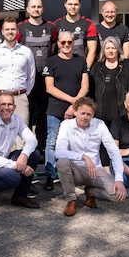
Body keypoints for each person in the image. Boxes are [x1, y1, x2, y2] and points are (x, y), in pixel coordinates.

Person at [54, 97, 126, 216]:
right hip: (75, 170)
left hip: (96, 170)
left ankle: (91, 192)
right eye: (82, 113)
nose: (85, 117)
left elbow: (114, 151)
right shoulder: (66, 125)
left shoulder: (100, 124)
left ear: (93, 115)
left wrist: (119, 179)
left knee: (117, 195)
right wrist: (83, 157)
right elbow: (59, 152)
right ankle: (71, 200)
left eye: (89, 114)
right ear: (75, 112)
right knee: (62, 162)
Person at [41, 31, 89, 191]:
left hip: (76, 111)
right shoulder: (51, 61)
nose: (67, 45)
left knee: (75, 143)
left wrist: (74, 106)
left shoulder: (81, 61)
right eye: (63, 42)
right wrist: (72, 101)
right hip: (55, 109)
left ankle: (73, 175)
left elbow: (85, 86)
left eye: (69, 42)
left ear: (73, 43)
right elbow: (49, 88)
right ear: (58, 44)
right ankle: (50, 176)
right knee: (52, 142)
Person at [0, 92, 41, 209]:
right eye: (3, 104)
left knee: (34, 154)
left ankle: (20, 196)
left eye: (10, 104)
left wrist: (24, 155)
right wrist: (18, 166)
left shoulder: (16, 119)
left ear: (14, 107)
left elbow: (32, 139)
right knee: (14, 178)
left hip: (3, 158)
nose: (6, 108)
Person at [90, 35, 129, 168]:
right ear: (103, 50)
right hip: (101, 112)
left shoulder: (127, 66)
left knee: (120, 142)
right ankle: (106, 170)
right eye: (108, 48)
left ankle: (122, 170)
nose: (110, 51)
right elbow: (90, 90)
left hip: (121, 112)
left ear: (118, 49)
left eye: (113, 48)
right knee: (102, 143)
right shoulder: (96, 67)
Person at [17, 0, 57, 150]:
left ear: (42, 9)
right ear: (28, 9)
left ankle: (41, 146)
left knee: (43, 112)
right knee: (27, 112)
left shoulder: (51, 27)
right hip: (27, 77)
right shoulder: (21, 27)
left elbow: (53, 47)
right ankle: (26, 146)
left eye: (39, 7)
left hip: (45, 77)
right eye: (33, 7)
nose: (36, 9)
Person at [0, 17, 36, 124]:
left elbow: (31, 76)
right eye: (7, 29)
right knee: (0, 130)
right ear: (3, 32)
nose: (10, 32)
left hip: (20, 98)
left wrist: (24, 93)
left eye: (13, 29)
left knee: (21, 131)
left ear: (17, 31)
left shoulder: (26, 52)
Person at [53, 0, 98, 72]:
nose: (73, 7)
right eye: (70, 4)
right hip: (61, 68)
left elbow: (92, 50)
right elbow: (52, 49)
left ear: (80, 5)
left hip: (80, 68)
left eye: (76, 4)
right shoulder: (57, 24)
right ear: (65, 5)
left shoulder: (88, 24)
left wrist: (85, 70)